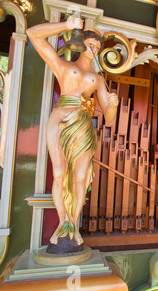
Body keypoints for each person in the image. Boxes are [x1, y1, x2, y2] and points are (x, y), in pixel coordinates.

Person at [27, 18, 119, 246]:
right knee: (59, 171)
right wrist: (67, 26)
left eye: (97, 47)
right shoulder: (63, 66)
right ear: (80, 43)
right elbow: (33, 33)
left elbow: (108, 116)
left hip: (83, 125)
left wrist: (114, 104)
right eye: (90, 44)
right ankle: (62, 223)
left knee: (80, 177)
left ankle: (73, 224)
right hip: (60, 119)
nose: (94, 49)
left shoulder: (98, 80)